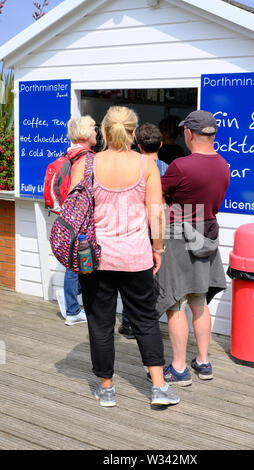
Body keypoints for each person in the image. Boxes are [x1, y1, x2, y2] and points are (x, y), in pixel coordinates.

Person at [69, 106, 180, 408]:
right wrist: (158, 249)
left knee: (100, 322)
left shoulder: (86, 164)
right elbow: (157, 214)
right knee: (145, 320)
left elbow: (73, 210)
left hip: (96, 258)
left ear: (103, 132)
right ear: (133, 133)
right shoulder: (147, 165)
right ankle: (158, 386)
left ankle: (106, 389)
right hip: (136, 257)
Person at [154, 110, 230, 386]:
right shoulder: (224, 165)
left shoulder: (181, 166)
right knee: (199, 301)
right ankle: (203, 361)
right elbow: (214, 206)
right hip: (207, 233)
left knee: (175, 303)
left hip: (177, 237)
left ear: (189, 134)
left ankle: (178, 368)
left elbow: (156, 194)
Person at [118, 123, 169, 339]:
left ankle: (129, 323)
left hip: (134, 227)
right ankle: (148, 321)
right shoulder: (168, 168)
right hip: (156, 228)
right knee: (154, 278)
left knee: (131, 277)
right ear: (161, 143)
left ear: (138, 145)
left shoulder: (132, 167)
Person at [56, 115, 97, 326]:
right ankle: (72, 308)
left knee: (80, 262)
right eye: (93, 128)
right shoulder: (87, 157)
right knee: (78, 263)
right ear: (85, 133)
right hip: (80, 218)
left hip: (68, 215)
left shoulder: (70, 154)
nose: (96, 132)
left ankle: (70, 299)